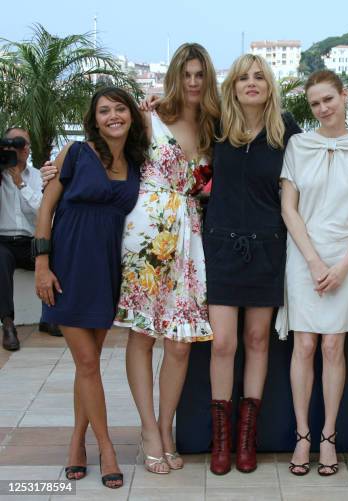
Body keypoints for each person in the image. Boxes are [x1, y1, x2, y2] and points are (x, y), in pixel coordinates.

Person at [115, 43, 219, 475]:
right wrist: (54, 173)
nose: (193, 82)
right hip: (146, 233)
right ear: (174, 75)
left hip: (191, 238)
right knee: (142, 335)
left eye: (200, 74)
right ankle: (148, 429)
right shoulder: (149, 117)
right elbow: (107, 156)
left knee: (178, 343)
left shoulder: (217, 127)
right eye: (186, 74)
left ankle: (166, 425)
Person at [35, 86, 146, 488]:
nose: (113, 116)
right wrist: (42, 264)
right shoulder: (76, 153)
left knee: (89, 367)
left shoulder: (135, 162)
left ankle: (75, 443)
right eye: (104, 110)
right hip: (67, 268)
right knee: (87, 364)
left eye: (120, 108)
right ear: (93, 119)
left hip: (106, 271)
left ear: (131, 115)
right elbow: (46, 208)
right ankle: (107, 448)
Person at [278, 69, 348, 476]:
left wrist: (342, 265)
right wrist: (315, 261)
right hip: (304, 256)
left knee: (333, 348)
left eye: (329, 99)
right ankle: (302, 435)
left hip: (347, 258)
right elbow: (289, 208)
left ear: (343, 96)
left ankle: (329, 436)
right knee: (304, 346)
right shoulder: (298, 146)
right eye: (316, 103)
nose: (323, 108)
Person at [204, 54, 301, 475]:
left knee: (258, 340)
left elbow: (324, 161)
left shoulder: (288, 131)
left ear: (270, 85)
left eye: (259, 76)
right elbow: (172, 131)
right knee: (224, 343)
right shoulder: (216, 127)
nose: (251, 83)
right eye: (244, 77)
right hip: (221, 248)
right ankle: (221, 440)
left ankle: (247, 439)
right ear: (233, 86)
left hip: (268, 248)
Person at [0, 127, 41, 350]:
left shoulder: (37, 177)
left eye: (21, 143)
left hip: (29, 242)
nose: (18, 148)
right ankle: (8, 324)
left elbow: (42, 211)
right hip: (2, 241)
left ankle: (50, 319)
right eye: (11, 143)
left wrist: (20, 184)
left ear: (28, 148)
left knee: (62, 258)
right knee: (0, 259)